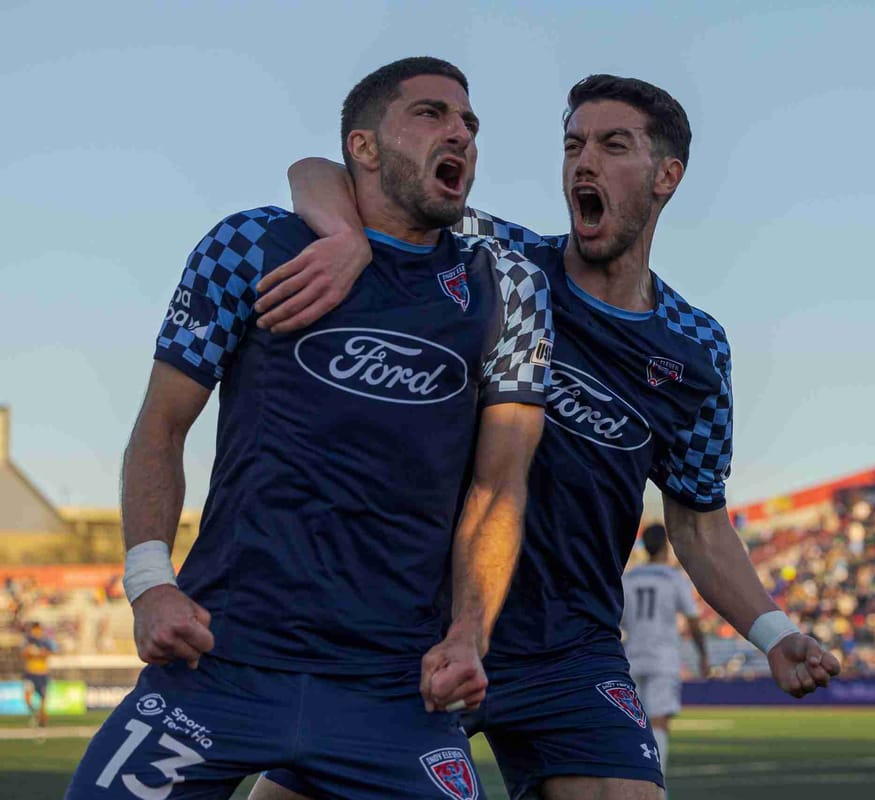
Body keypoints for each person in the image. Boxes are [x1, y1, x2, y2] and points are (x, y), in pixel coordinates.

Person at [252, 74, 840, 800]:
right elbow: (325, 172)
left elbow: (698, 519)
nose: (582, 162)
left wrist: (774, 632)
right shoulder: (499, 259)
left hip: (571, 649)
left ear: (667, 177)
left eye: (611, 145)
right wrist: (344, 233)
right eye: (573, 145)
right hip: (428, 627)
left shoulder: (696, 347)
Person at [65, 56, 553, 800]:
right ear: (363, 147)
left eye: (470, 124)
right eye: (431, 114)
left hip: (392, 689)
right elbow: (162, 425)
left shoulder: (505, 286)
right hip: (220, 664)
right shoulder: (252, 246)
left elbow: (499, 487)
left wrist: (467, 636)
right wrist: (150, 584)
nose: (460, 132)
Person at [621, 524, 709, 775]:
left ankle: (633, 780)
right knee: (659, 720)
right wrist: (703, 656)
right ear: (665, 546)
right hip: (663, 659)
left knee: (635, 723)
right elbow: (693, 621)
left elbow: (618, 620)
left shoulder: (628, 579)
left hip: (632, 658)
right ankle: (655, 783)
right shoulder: (673, 578)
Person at [22, 620, 56, 729]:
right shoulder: (28, 640)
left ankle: (42, 722)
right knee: (27, 697)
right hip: (30, 673)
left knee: (43, 701)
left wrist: (40, 653)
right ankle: (35, 714)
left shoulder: (45, 641)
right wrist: (32, 653)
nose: (35, 632)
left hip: (42, 674)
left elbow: (50, 653)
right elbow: (24, 654)